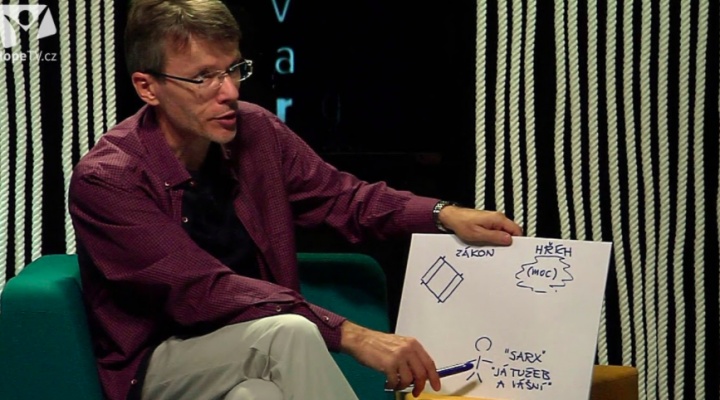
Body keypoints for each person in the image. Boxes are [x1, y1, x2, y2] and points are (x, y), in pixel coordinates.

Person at [68, 1, 523, 399]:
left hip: (252, 350)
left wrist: (444, 214)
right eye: (203, 77)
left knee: (258, 395)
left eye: (233, 69)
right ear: (147, 87)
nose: (230, 92)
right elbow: (200, 291)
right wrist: (353, 335)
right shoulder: (108, 179)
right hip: (160, 365)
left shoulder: (256, 131)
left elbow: (344, 199)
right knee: (288, 333)